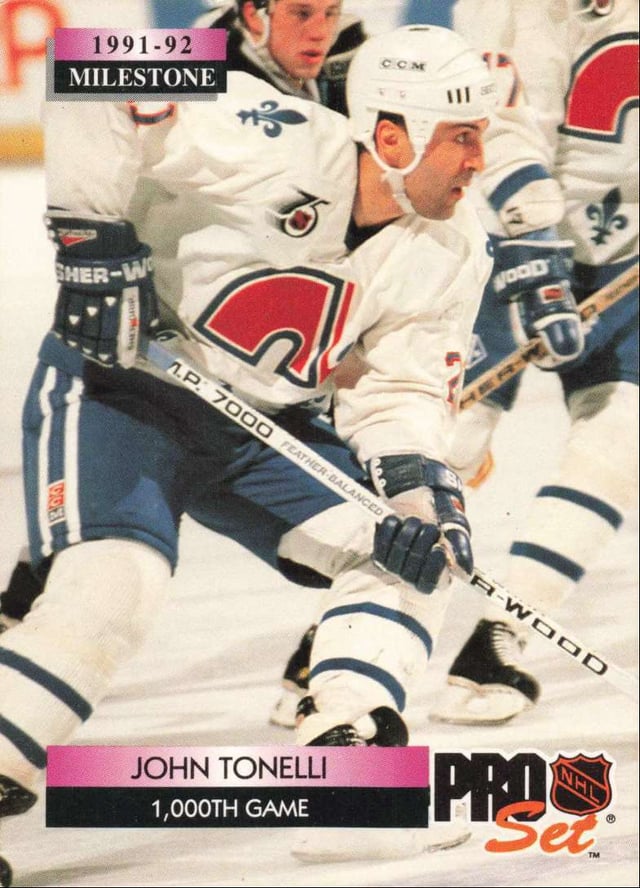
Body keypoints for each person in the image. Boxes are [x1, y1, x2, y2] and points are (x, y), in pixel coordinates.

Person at [0, 25, 497, 881]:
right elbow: (90, 63)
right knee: (113, 592)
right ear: (392, 136)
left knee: (414, 557)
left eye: (482, 136)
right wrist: (89, 239)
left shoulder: (452, 248)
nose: (478, 161)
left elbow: (401, 390)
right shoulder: (270, 136)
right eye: (461, 137)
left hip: (262, 426)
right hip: (123, 392)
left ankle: (345, 780)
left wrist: (417, 495)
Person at [0, 0, 369, 633]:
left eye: (330, 12)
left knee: (378, 532)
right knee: (103, 570)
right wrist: (93, 243)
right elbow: (84, 61)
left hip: (254, 364)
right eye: (301, 12)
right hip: (152, 359)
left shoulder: (350, 60)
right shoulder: (208, 53)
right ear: (253, 12)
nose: (319, 31)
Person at [424, 0, 639, 723]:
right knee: (446, 446)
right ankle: (336, 646)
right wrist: (533, 241)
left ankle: (501, 637)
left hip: (626, 255)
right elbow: (500, 120)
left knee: (621, 440)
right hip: (505, 242)